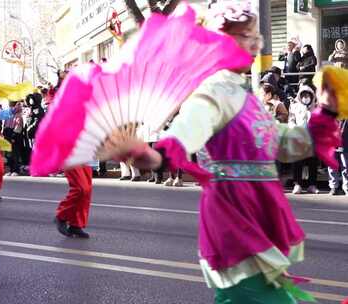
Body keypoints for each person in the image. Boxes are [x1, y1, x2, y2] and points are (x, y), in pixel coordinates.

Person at [115, 2, 341, 302]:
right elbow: (188, 128)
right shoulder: (213, 91)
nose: (253, 42)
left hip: (257, 218)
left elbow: (281, 142)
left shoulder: (243, 92)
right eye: (243, 35)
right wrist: (158, 156)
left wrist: (325, 112)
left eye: (253, 34)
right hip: (234, 222)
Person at [288, 85, 320, 194]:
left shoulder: (317, 107)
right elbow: (291, 120)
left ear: (312, 96)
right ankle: (297, 184)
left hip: (312, 139)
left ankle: (312, 185)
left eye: (308, 95)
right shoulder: (294, 107)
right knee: (297, 162)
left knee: (313, 162)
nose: (306, 97)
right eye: (303, 95)